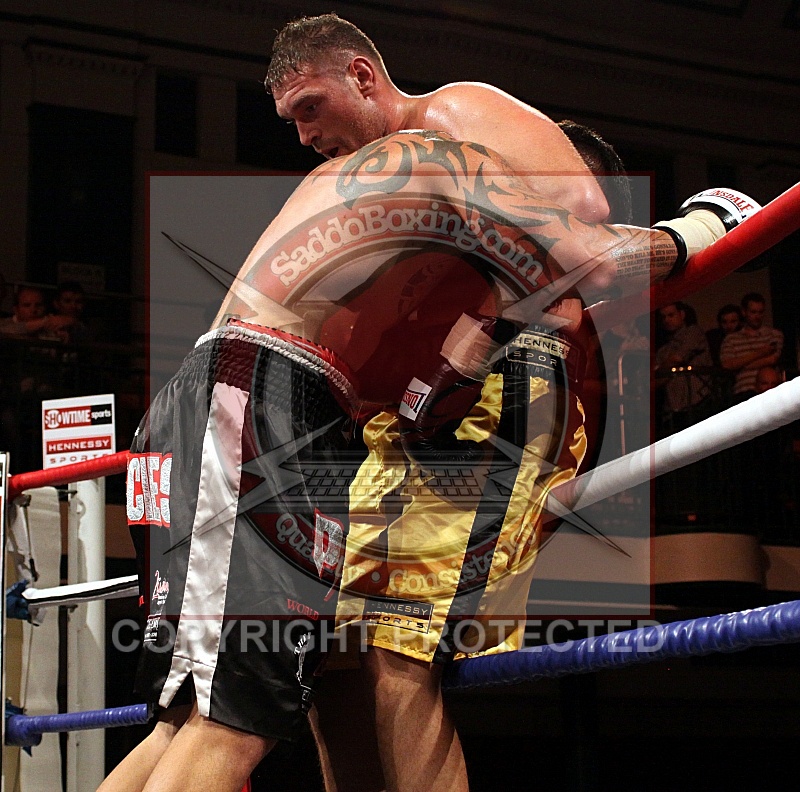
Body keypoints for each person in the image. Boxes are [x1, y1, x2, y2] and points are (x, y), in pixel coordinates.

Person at [98, 126, 757, 791]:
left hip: (486, 419)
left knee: (399, 653)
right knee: (334, 666)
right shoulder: (445, 213)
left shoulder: (547, 246)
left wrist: (703, 225)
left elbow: (593, 266)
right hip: (370, 427)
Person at [654, 301, 713, 432]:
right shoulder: (663, 350)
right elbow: (656, 380)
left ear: (682, 314)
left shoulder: (693, 332)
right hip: (674, 410)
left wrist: (662, 369)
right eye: (663, 317)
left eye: (671, 315)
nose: (666, 320)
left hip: (699, 403)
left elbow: (678, 358)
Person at [720, 291, 783, 402]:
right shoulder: (731, 339)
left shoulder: (774, 335)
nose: (757, 316)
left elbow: (772, 359)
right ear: (744, 312)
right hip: (744, 392)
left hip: (769, 390)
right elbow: (727, 365)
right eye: (753, 312)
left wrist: (740, 365)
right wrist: (761, 352)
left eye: (760, 312)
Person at [706, 302, 742, 369]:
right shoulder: (713, 339)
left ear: (740, 322)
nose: (728, 326)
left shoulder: (745, 337)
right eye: (724, 322)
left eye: (733, 321)